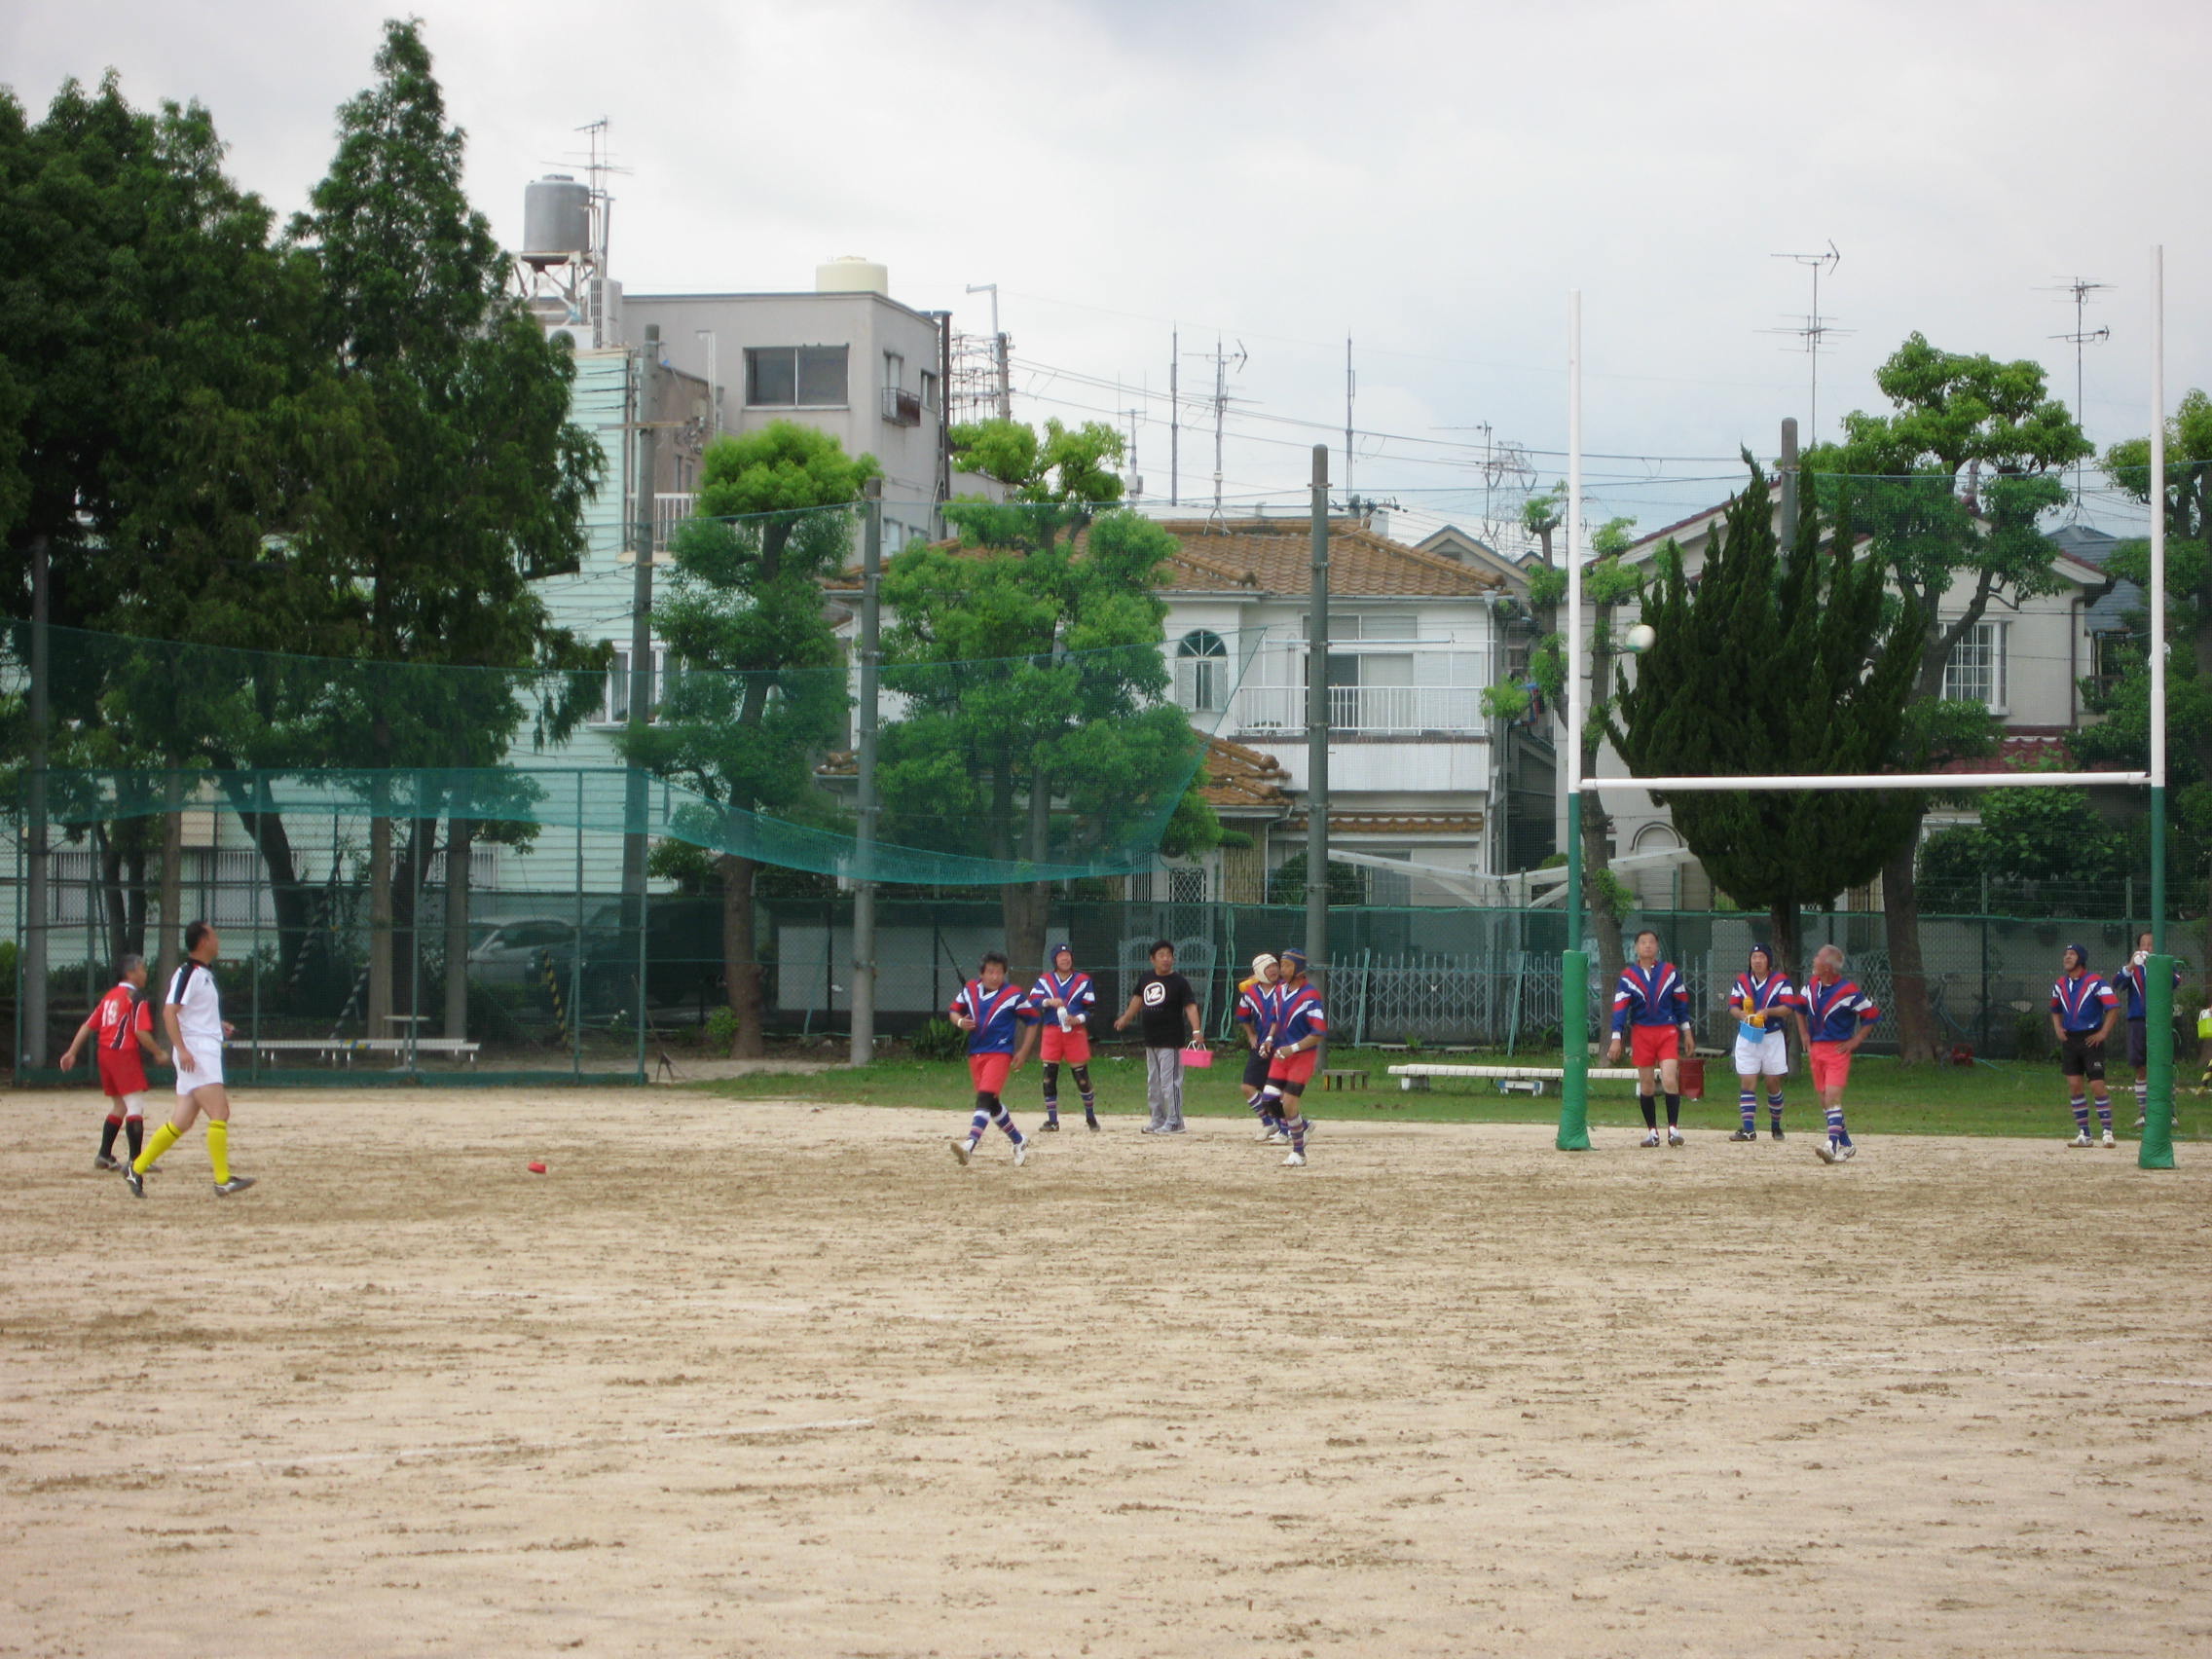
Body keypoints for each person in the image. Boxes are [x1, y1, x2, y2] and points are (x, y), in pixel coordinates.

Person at [122, 920, 251, 1198]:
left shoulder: (203, 973)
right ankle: (222, 1179)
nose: (217, 940)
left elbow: (194, 1015)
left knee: (181, 1121)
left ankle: (136, 1167)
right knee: (220, 1113)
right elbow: (170, 1012)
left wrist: (219, 1025)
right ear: (203, 941)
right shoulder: (188, 972)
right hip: (197, 1054)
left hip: (201, 1049)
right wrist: (181, 1049)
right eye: (213, 935)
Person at [58, 953, 169, 1171]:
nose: (145, 973)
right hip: (123, 1054)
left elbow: (87, 1026)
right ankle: (137, 1161)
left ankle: (104, 1155)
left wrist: (72, 1052)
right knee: (135, 1104)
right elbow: (140, 1032)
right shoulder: (135, 997)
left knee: (120, 1105)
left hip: (105, 1054)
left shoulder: (110, 996)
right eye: (142, 969)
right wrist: (158, 1052)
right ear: (131, 973)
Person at [947, 951, 1040, 1166]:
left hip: (1000, 1054)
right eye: (990, 972)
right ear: (982, 973)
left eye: (999, 972)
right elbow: (953, 1011)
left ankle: (969, 1145)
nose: (995, 976)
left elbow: (1033, 1021)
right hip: (975, 1053)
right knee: (992, 1103)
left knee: (984, 1099)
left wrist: (1024, 1052)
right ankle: (1019, 1140)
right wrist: (961, 1022)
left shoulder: (1013, 995)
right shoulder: (970, 989)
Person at [1604, 930, 1693, 1147]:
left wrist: (1687, 1031)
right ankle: (1652, 1132)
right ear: (1636, 948)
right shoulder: (1628, 976)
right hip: (1642, 1033)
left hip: (1666, 1031)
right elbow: (1620, 1009)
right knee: (1646, 1085)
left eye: (1651, 942)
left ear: (1657, 947)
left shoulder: (1670, 972)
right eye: (1643, 943)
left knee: (1670, 1078)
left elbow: (1681, 1003)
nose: (1647, 946)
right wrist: (1617, 1038)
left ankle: (1673, 1129)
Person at [1798, 943, 1877, 1163]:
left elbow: (1871, 1014)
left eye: (1818, 958)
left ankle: (1831, 1145)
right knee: (1825, 1100)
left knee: (1833, 1097)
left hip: (1837, 1050)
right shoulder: (1812, 985)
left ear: (1828, 967)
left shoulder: (1848, 991)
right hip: (1816, 1049)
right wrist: (1804, 1034)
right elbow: (1799, 1008)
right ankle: (1848, 1144)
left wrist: (1856, 1040)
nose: (1813, 961)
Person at [1114, 940, 1202, 1134]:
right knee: (1153, 1082)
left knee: (1170, 1082)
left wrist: (1196, 1030)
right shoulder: (1146, 978)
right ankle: (1158, 1118)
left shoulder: (1179, 982)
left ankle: (1176, 1121)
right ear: (1152, 959)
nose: (1166, 959)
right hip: (1151, 1039)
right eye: (1161, 955)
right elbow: (1137, 1000)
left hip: (1171, 1040)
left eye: (1169, 955)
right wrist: (1126, 1018)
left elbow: (1190, 1006)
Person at [1256, 947, 1325, 1166]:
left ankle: (1298, 1152)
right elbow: (1276, 1020)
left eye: (1287, 965)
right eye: (1281, 964)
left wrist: (1293, 1048)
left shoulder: (1310, 996)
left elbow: (1318, 1033)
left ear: (1299, 969)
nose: (1282, 969)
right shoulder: (1279, 992)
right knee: (1268, 1100)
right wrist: (1268, 1039)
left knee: (1289, 1102)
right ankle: (1302, 1126)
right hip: (1281, 1056)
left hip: (1300, 1058)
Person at [2050, 942, 2121, 1149]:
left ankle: (2107, 1132)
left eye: (2071, 954)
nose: (2067, 958)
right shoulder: (2060, 984)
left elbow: (2113, 1006)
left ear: (2081, 959)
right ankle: (2085, 1133)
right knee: (2074, 1085)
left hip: (2091, 1038)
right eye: (2065, 954)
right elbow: (2055, 1008)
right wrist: (2058, 1028)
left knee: (2097, 1084)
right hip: (2070, 1039)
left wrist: (2103, 1032)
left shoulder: (2096, 982)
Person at [1727, 943, 1796, 1142]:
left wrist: (1768, 1012)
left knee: (1773, 1082)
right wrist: (1741, 1014)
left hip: (1771, 1035)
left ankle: (1776, 1125)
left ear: (1768, 961)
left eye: (1761, 957)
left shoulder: (1780, 981)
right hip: (1748, 1036)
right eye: (1754, 957)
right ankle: (1748, 1129)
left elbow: (1788, 1007)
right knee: (1748, 1080)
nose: (1757, 961)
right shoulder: (1742, 981)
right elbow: (1732, 1005)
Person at [1027, 942, 1099, 1133]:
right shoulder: (1045, 981)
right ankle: (1052, 1120)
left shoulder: (1083, 980)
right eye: (1061, 956)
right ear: (1055, 960)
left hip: (1074, 1033)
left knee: (1081, 1077)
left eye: (1068, 956)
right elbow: (1032, 1001)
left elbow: (1090, 1009)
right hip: (1052, 1031)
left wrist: (1077, 1019)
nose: (1065, 959)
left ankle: (1090, 1117)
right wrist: (1048, 1001)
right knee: (1049, 1076)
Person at [2120, 931, 2182, 1128]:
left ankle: (2169, 1113)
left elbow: (2175, 982)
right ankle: (2144, 1112)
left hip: (2160, 1021)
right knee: (2141, 1066)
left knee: (2164, 1066)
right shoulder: (2134, 970)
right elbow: (2117, 983)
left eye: (2151, 944)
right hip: (2138, 1021)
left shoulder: (2166, 965)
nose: (2147, 948)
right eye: (2144, 944)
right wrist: (2131, 965)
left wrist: (2156, 966)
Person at [1235, 953, 1285, 1142]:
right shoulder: (1250, 993)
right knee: (1248, 1086)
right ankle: (1268, 1122)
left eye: (1275, 966)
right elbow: (1243, 1016)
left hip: (1280, 1045)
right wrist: (1251, 1035)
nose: (1273, 970)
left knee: (1275, 1090)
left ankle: (1287, 1128)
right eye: (1268, 967)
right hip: (1261, 1046)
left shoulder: (1284, 988)